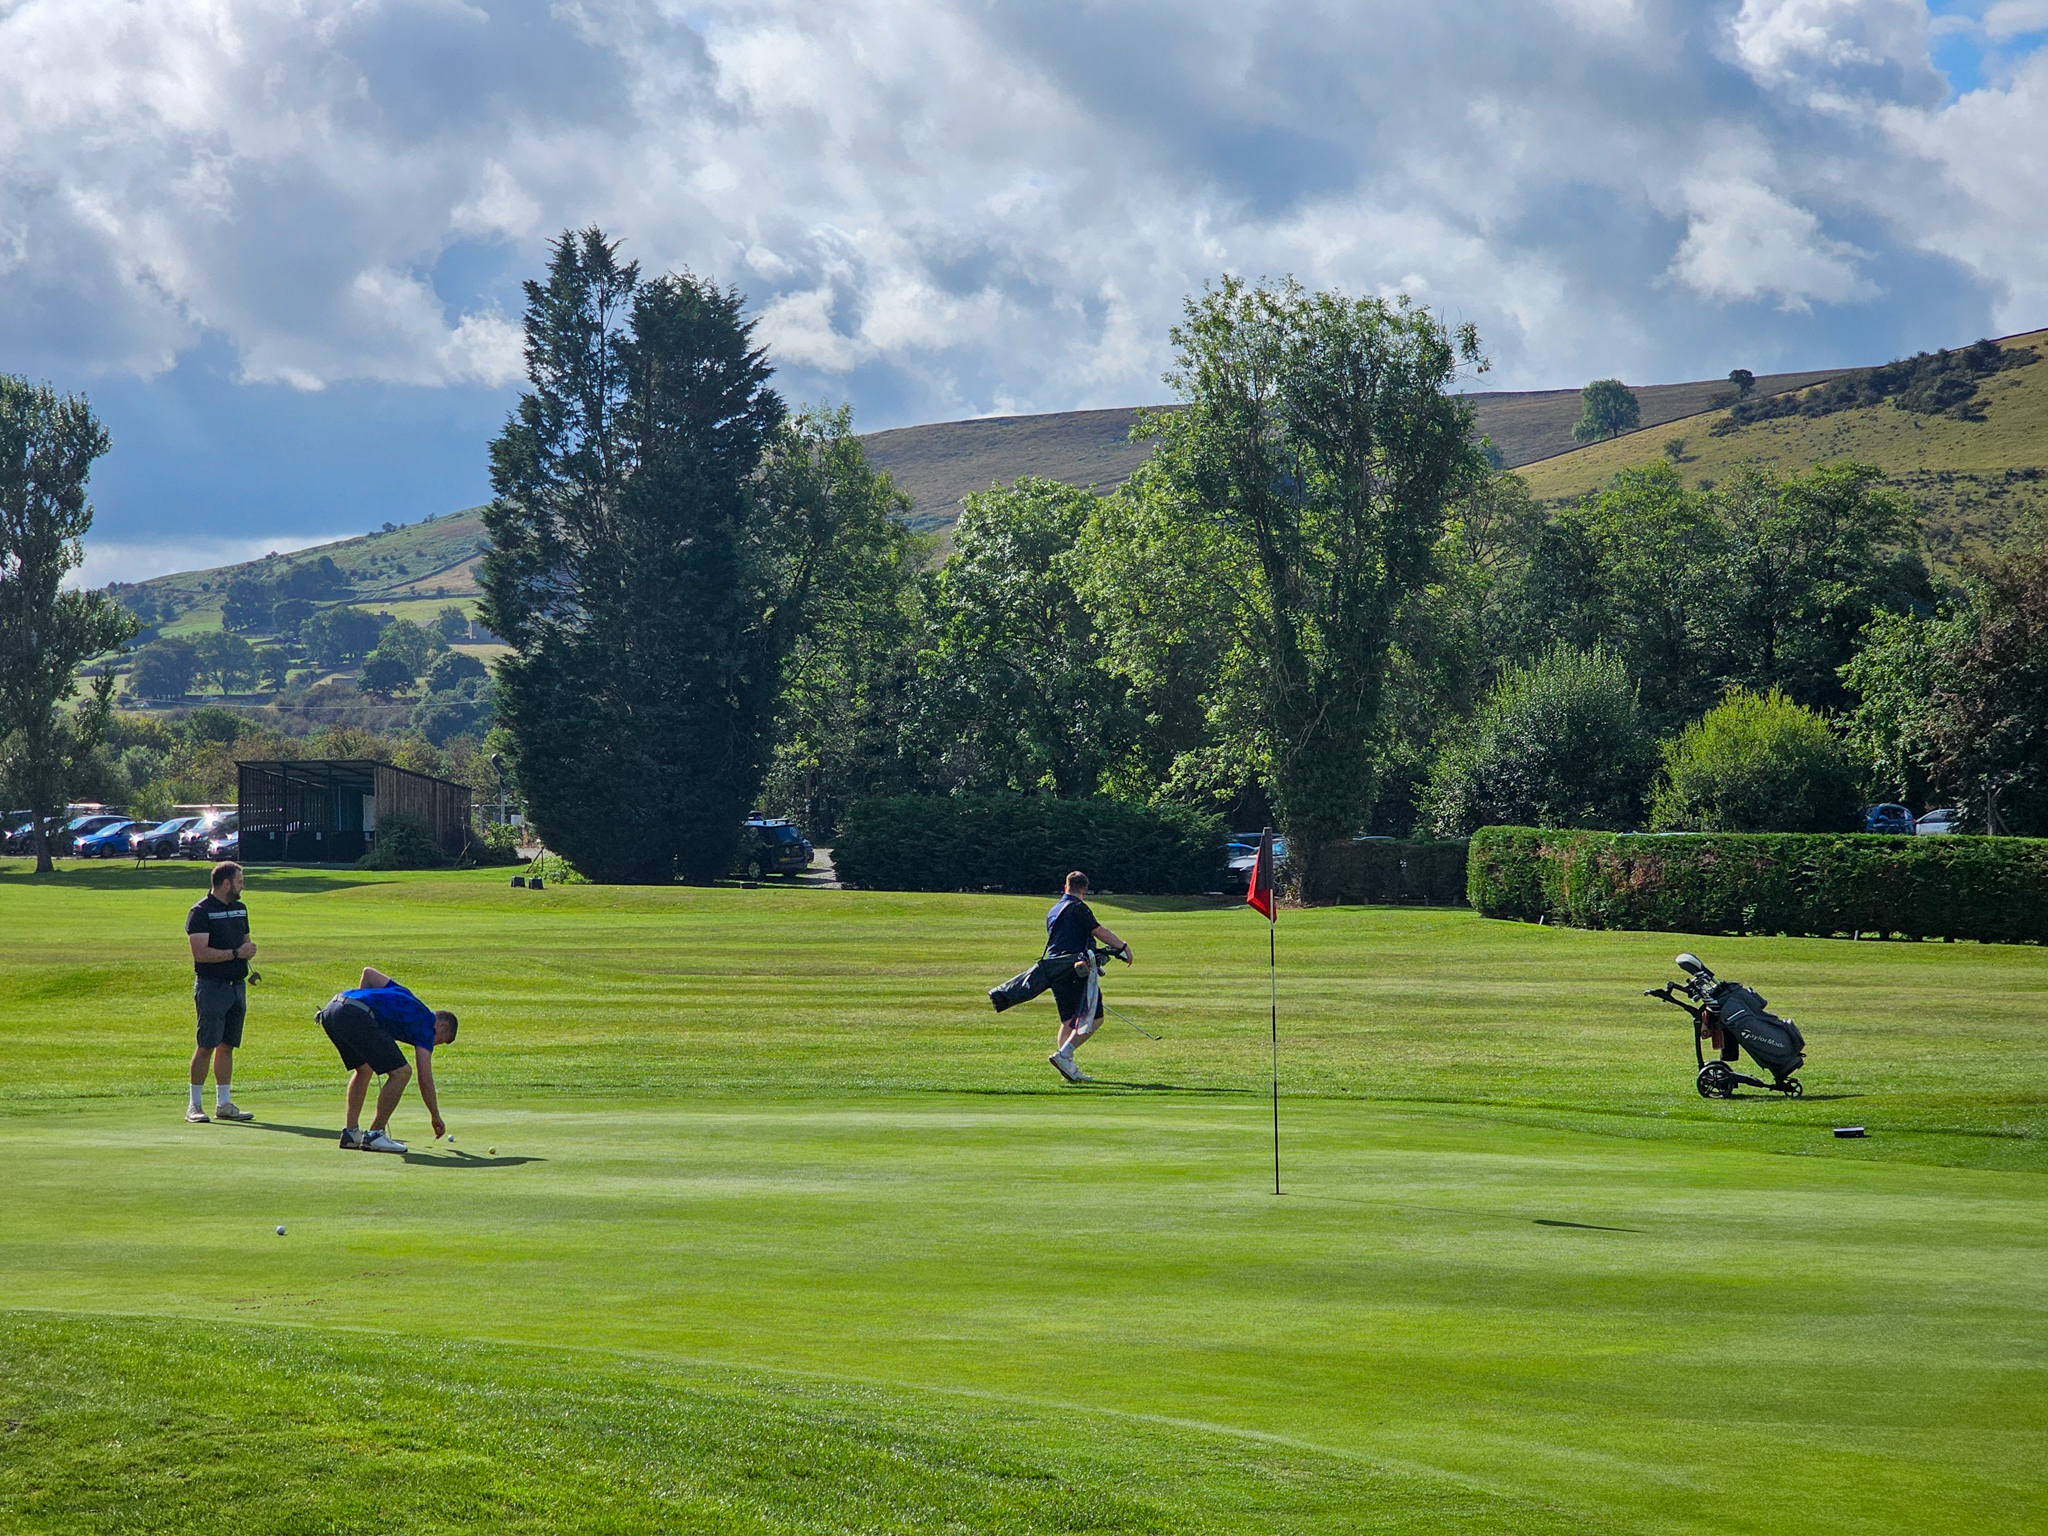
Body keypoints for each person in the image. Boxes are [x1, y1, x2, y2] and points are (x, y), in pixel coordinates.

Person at [315, 966, 458, 1153]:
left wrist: (362, 1002)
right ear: (441, 1025)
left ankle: (351, 1134)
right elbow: (425, 1077)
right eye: (440, 1040)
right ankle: (375, 1134)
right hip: (353, 1013)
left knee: (364, 1068)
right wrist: (435, 1116)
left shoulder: (406, 995)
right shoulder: (426, 1025)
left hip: (332, 1009)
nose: (433, 1044)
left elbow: (368, 974)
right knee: (402, 1072)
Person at [1044, 871, 1131, 1084]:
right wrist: (1123, 947)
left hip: (1055, 969)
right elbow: (1099, 931)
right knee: (1094, 1018)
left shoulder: (1054, 910)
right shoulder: (1078, 908)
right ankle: (1064, 1056)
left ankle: (1067, 1067)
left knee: (1068, 1020)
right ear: (1084, 889)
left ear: (1065, 886)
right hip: (1076, 969)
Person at [185, 861, 255, 1123]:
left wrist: (247, 952)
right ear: (226, 883)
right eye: (239, 880)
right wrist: (236, 953)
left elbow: (245, 940)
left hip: (237, 985)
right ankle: (194, 1105)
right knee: (206, 1045)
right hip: (211, 986)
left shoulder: (240, 909)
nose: (242, 885)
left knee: (227, 1046)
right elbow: (200, 953)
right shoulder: (200, 912)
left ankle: (224, 1104)